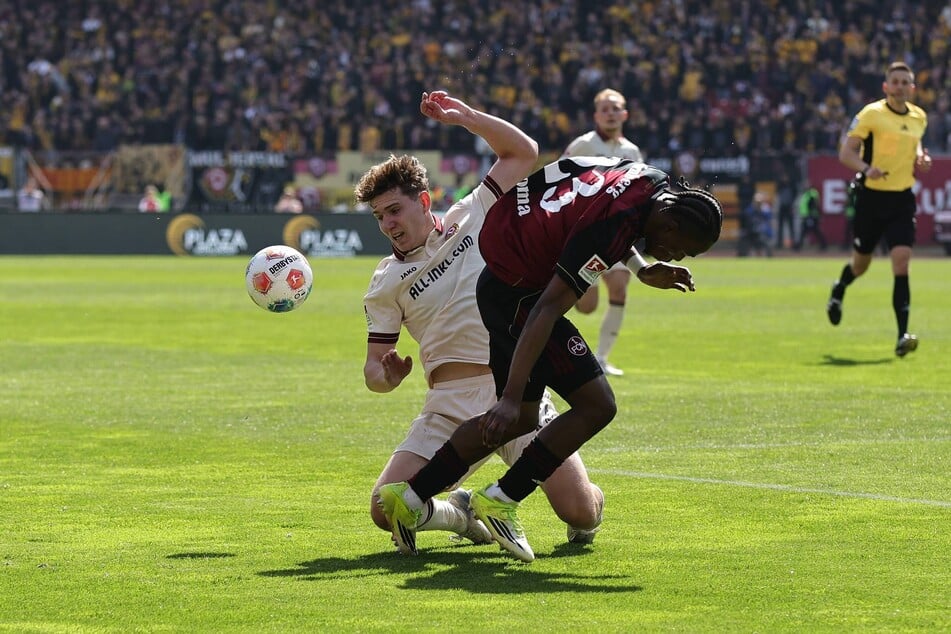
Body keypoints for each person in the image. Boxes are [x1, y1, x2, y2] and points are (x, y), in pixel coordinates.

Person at [379, 155, 723, 562]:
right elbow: (545, 310)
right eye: (681, 247)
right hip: (519, 291)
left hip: (507, 258)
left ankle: (412, 495)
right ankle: (502, 497)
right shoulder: (607, 230)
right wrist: (508, 396)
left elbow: (590, 192)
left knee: (527, 419)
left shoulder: (648, 180)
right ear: (669, 222)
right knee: (596, 404)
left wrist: (641, 267)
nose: (679, 257)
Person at [361, 91, 604, 556]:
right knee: (382, 509)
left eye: (394, 210)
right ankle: (462, 516)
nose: (387, 224)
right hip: (448, 405)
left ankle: (591, 502)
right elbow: (373, 368)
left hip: (515, 393)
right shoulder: (384, 282)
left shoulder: (471, 215)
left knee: (580, 512)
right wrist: (384, 376)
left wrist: (468, 118)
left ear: (424, 201)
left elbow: (523, 153)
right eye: (379, 216)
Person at [826, 61, 932, 357]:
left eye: (905, 82)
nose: (900, 86)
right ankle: (839, 289)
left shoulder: (919, 117)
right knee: (861, 266)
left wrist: (922, 157)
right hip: (871, 199)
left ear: (912, 88)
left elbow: (916, 147)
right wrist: (865, 169)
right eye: (895, 81)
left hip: (901, 198)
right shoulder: (871, 114)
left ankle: (902, 335)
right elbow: (846, 152)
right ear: (886, 87)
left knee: (901, 263)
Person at [562, 89, 644, 376]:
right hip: (585, 234)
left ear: (625, 114)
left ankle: (602, 358)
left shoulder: (632, 152)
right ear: (596, 115)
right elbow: (560, 178)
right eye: (605, 109)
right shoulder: (583, 145)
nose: (610, 113)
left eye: (615, 108)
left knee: (620, 288)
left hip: (617, 233)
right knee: (586, 307)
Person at [795, 183, 826, 251]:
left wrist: (811, 214)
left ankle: (823, 244)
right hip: (806, 216)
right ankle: (798, 246)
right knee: (808, 231)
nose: (805, 186)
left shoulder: (812, 193)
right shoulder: (805, 194)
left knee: (812, 230)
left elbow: (814, 204)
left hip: (811, 216)